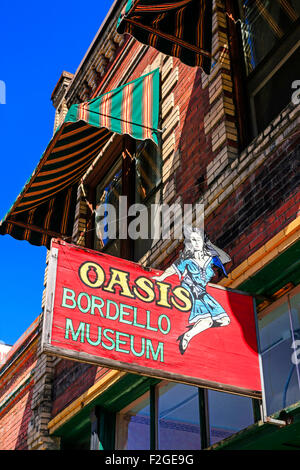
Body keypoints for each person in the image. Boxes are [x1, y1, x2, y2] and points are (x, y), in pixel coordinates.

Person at [153, 226, 231, 354]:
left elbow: (226, 258)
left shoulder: (210, 258)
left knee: (225, 320)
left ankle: (197, 326)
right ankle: (188, 336)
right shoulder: (187, 259)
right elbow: (172, 269)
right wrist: (161, 278)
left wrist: (210, 246)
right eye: (192, 240)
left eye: (198, 239)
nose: (195, 243)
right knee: (208, 320)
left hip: (203, 293)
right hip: (190, 291)